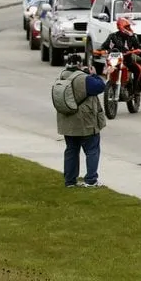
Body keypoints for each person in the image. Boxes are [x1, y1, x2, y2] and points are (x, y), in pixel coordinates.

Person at [56, 53, 106, 187]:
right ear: (80, 64)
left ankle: (70, 181)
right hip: (85, 121)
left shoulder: (62, 76)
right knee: (92, 150)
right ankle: (91, 180)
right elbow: (101, 87)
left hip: (67, 121)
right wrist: (94, 74)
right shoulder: (84, 79)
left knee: (71, 150)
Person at [95, 18, 141, 95]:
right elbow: (104, 46)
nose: (129, 29)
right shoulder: (112, 36)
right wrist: (99, 51)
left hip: (127, 61)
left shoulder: (132, 37)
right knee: (105, 69)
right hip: (114, 60)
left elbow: (140, 48)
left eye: (129, 27)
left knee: (139, 69)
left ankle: (135, 91)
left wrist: (139, 51)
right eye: (127, 27)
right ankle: (110, 84)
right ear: (121, 27)